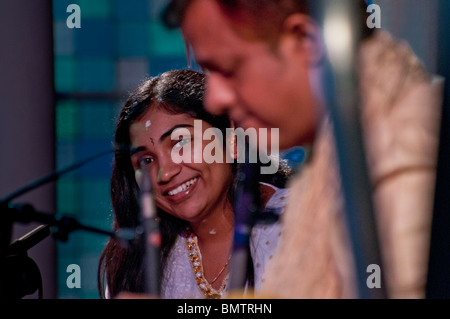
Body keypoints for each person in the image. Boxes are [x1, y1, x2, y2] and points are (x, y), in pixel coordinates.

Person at [162, 0, 444, 298]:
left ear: (306, 41)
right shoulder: (345, 150)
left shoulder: (404, 154)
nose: (214, 99)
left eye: (228, 69)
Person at [97, 69, 290, 299]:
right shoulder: (138, 259)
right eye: (146, 160)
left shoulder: (296, 223)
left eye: (181, 143)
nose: (165, 172)